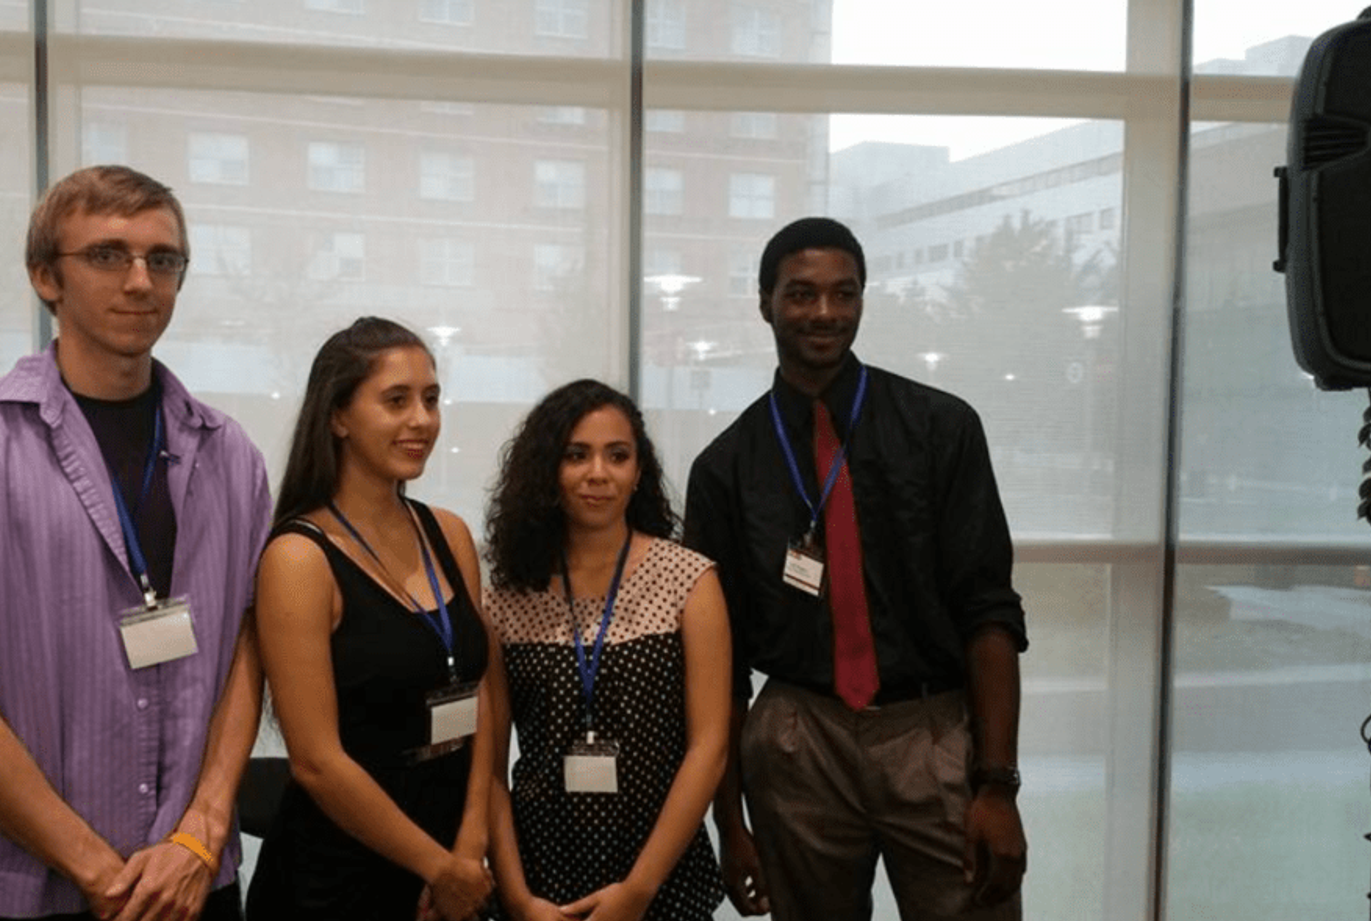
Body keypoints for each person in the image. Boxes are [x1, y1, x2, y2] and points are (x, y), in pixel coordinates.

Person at [0, 165, 271, 921]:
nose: (140, 280)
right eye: (107, 255)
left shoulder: (228, 453)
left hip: (191, 882)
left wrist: (202, 832)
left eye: (163, 259)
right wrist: (99, 873)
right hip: (23, 892)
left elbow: (246, 648)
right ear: (46, 276)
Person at [683, 217, 1029, 921]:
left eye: (844, 294)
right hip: (797, 738)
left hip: (930, 729)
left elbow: (988, 609)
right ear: (765, 303)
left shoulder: (941, 428)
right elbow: (720, 666)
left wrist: (998, 785)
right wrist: (730, 823)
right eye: (801, 293)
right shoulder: (726, 466)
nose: (825, 312)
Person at [245, 316, 497, 921]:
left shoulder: (448, 534)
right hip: (338, 878)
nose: (422, 420)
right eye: (396, 400)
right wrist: (438, 867)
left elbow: (480, 695)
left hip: (449, 860)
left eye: (431, 399)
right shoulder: (300, 558)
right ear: (338, 417)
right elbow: (317, 762)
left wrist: (469, 845)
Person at [483, 379, 731, 921]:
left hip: (662, 873)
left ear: (638, 471)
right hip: (541, 877)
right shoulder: (504, 599)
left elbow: (708, 747)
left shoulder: (688, 579)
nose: (598, 473)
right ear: (548, 469)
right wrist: (518, 897)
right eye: (577, 455)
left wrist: (638, 890)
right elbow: (489, 770)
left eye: (617, 456)